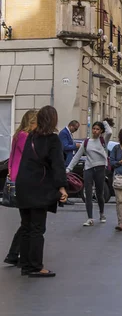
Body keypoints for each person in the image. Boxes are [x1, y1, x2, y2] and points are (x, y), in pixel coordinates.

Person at [15, 106, 68, 277]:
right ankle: (36, 266)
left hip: (24, 186)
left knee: (26, 227)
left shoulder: (31, 136)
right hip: (39, 187)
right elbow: (58, 165)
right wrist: (61, 187)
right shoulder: (52, 139)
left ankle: (25, 265)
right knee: (37, 228)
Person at [4, 110, 38, 267]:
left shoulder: (17, 135)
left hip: (16, 178)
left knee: (26, 221)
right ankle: (17, 254)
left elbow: (12, 157)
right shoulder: (25, 136)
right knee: (28, 222)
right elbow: (30, 155)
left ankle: (14, 254)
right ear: (32, 122)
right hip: (24, 180)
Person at [66, 120, 112, 226]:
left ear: (101, 131)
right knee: (88, 193)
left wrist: (104, 122)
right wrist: (69, 168)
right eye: (94, 129)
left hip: (100, 168)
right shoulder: (86, 142)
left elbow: (109, 132)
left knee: (100, 194)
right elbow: (77, 155)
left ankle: (101, 213)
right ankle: (90, 218)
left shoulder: (103, 140)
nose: (95, 131)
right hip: (88, 169)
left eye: (97, 129)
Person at [58, 120, 80, 205]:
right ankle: (63, 198)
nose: (75, 130)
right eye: (75, 128)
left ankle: (64, 198)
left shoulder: (68, 133)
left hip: (68, 160)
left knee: (66, 180)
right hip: (65, 160)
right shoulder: (64, 133)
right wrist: (75, 146)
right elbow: (65, 146)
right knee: (64, 180)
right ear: (71, 126)